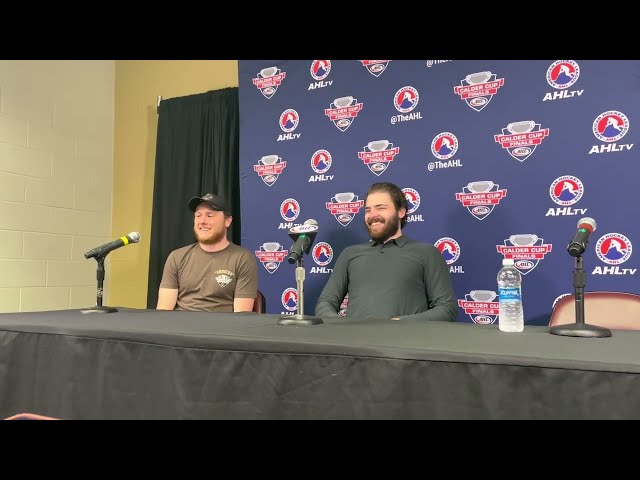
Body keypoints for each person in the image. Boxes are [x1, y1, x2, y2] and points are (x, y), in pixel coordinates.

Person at [315, 182, 458, 321]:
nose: (372, 215)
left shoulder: (426, 253)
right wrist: (342, 326)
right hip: (355, 342)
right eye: (368, 210)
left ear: (401, 212)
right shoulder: (350, 254)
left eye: (380, 208)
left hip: (403, 342)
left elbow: (446, 309)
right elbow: (325, 303)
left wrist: (397, 323)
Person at [157, 193, 259, 312]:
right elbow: (163, 312)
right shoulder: (176, 257)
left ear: (227, 221)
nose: (202, 221)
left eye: (210, 215)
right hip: (181, 327)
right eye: (198, 216)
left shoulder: (243, 259)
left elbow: (241, 318)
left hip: (219, 329)